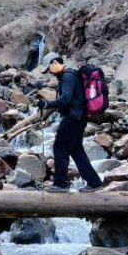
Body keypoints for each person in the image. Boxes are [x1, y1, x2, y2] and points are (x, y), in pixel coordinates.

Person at [37, 55, 103, 192]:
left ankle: (61, 183)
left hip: (73, 118)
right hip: (79, 118)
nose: (50, 72)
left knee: (59, 147)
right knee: (76, 150)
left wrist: (47, 104)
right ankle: (95, 182)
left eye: (50, 68)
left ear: (55, 63)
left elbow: (65, 98)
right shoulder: (70, 76)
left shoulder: (67, 77)